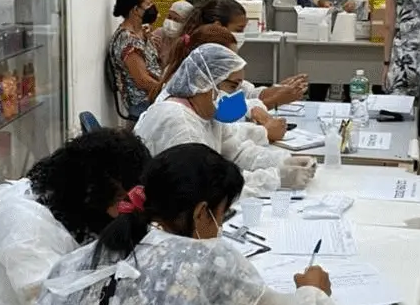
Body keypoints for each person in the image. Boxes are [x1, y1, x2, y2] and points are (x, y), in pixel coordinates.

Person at [30, 144, 338, 305]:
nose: (220, 228)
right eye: (222, 215)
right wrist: (313, 295)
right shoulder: (208, 264)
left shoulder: (74, 264)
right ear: (202, 213)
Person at [0, 129, 152, 305]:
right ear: (89, 191)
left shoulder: (68, 207)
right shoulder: (24, 226)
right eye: (119, 200)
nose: (122, 210)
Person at [133, 43, 316, 196]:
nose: (238, 96)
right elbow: (205, 188)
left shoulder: (206, 113)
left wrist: (283, 161)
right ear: (204, 82)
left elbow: (237, 152)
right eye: (233, 87)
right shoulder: (180, 125)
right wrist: (276, 179)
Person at [150, 24, 287, 143]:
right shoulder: (180, 122)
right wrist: (264, 131)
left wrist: (254, 109)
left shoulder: (200, 102)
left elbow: (227, 138)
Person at [181, 0, 308, 107]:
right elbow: (220, 110)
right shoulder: (200, 63)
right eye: (239, 30)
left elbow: (243, 93)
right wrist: (273, 101)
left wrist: (279, 90)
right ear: (218, 27)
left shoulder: (218, 58)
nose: (242, 35)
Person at [109, 0, 163, 118]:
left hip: (155, 93)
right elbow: (143, 81)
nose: (153, 7)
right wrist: (169, 90)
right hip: (142, 101)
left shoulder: (143, 33)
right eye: (148, 4)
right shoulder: (128, 41)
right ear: (135, 10)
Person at [150, 0, 194, 68]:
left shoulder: (189, 41)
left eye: (176, 20)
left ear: (187, 23)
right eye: (169, 17)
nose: (170, 22)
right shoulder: (160, 33)